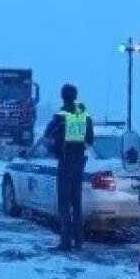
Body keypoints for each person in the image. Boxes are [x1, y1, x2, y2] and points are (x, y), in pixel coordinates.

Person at [43, 83, 94, 251]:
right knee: (76, 203)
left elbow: (47, 134)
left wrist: (56, 147)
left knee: (64, 204)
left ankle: (65, 242)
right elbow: (90, 140)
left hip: (65, 163)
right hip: (79, 162)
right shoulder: (85, 116)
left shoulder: (62, 115)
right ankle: (79, 242)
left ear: (63, 96)